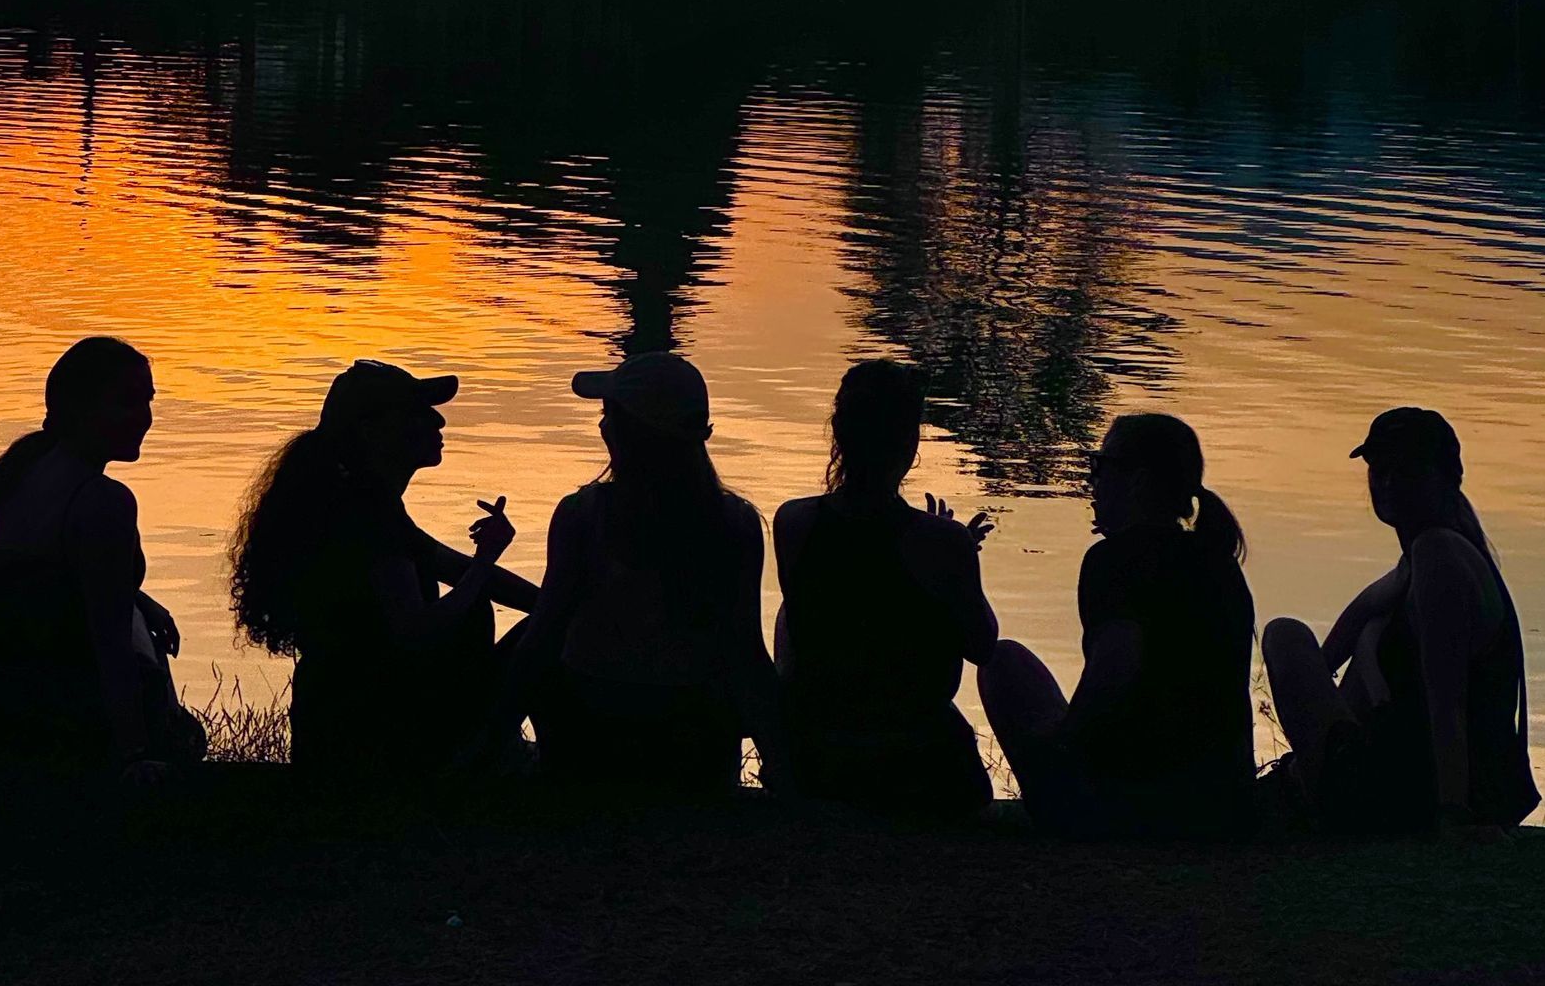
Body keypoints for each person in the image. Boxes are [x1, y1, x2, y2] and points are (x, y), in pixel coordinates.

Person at [230, 360, 535, 786]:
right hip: (377, 739)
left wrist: (555, 598)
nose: (437, 419)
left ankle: (488, 752)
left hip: (345, 730)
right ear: (373, 431)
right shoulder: (364, 516)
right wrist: (486, 565)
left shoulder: (359, 503)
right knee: (505, 623)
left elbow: (454, 567)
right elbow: (414, 630)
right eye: (416, 412)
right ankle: (484, 757)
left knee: (538, 618)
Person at [980, 411, 1255, 840]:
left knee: (1002, 663)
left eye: (1100, 466)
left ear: (1139, 481)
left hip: (1130, 808)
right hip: (1223, 805)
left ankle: (1063, 813)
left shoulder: (1114, 561)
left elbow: (1116, 664)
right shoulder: (1218, 559)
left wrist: (1062, 737)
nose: (1091, 482)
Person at [1261, 409, 1539, 835]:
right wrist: (1375, 612)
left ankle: (1303, 788)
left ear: (1449, 475)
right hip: (1398, 781)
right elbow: (1330, 657)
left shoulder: (1439, 556)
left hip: (1406, 792)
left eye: (1406, 470)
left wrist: (1452, 813)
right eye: (1380, 469)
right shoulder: (1425, 560)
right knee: (1341, 638)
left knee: (1284, 634)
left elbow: (1447, 699)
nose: (1388, 481)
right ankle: (1303, 780)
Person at [519, 352, 783, 792]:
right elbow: (747, 655)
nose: (601, 426)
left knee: (528, 637)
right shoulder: (736, 523)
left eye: (608, 416)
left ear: (628, 433)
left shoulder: (581, 515)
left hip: (590, 735)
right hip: (693, 741)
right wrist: (782, 768)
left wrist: (484, 740)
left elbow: (541, 640)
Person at [0, 336, 203, 771]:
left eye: (147, 401)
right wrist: (134, 753)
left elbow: (43, 583)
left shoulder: (21, 473)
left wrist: (137, 598)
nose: (144, 418)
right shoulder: (103, 500)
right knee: (188, 739)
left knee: (144, 623)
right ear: (80, 409)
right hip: (60, 712)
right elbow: (110, 640)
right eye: (126, 403)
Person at [772, 359, 997, 817]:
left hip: (819, 757)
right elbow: (983, 645)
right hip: (916, 761)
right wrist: (957, 561)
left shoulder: (792, 521)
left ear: (838, 432)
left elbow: (845, 599)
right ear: (910, 442)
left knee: (787, 612)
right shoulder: (941, 542)